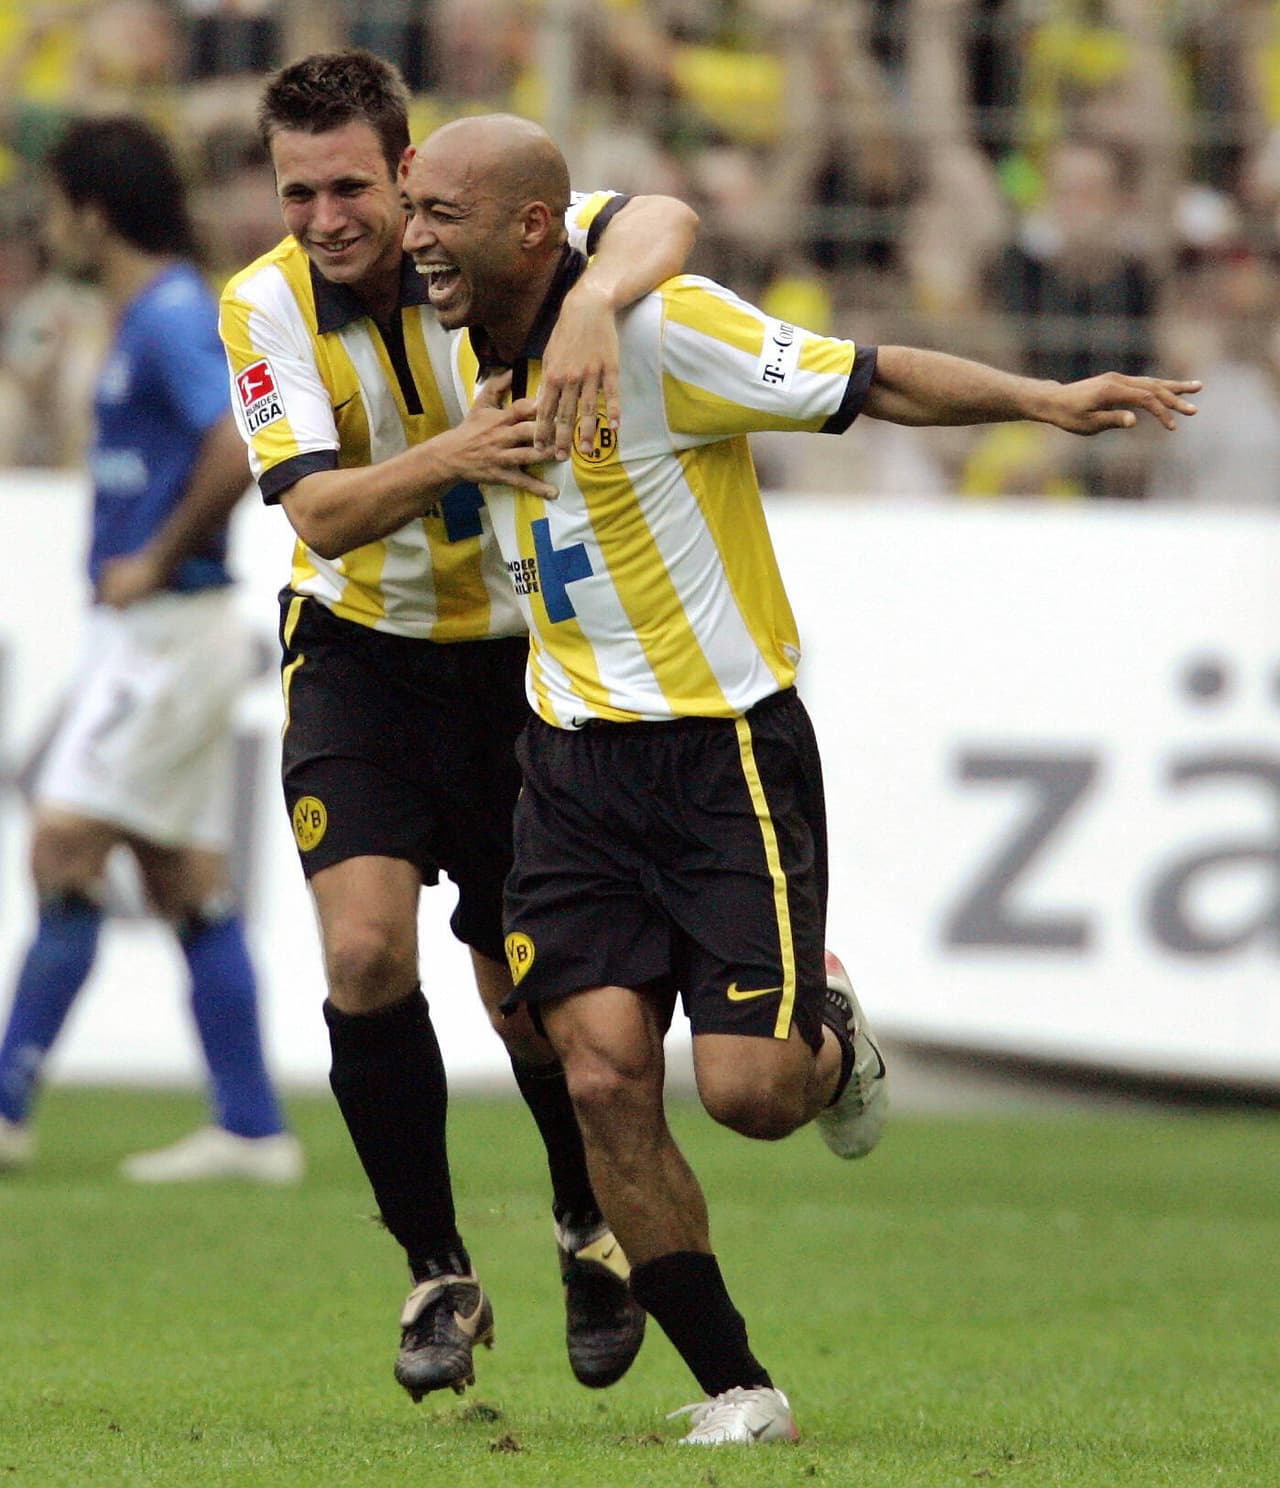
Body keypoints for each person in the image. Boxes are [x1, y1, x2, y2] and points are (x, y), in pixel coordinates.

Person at [398, 111, 1201, 1445]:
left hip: (723, 758)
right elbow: (629, 218)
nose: (415, 239)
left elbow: (864, 376)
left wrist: (1042, 400)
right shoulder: (460, 292)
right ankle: (738, 1384)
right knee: (597, 1075)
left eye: (441, 215)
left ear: (533, 228)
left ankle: (827, 1032)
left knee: (753, 1095)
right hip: (569, 757)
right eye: (410, 209)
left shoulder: (663, 329)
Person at [218, 49, 699, 1401]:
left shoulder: (479, 244)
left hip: (514, 664)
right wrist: (457, 456)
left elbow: (665, 219)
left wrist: (601, 296)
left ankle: (582, 1224)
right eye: (300, 194)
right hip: (358, 654)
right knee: (365, 954)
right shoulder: (263, 306)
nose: (328, 220)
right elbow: (316, 511)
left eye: (354, 187)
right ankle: (434, 1269)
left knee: (526, 994)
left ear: (412, 168)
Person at [0, 116, 302, 1185]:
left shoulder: (173, 310)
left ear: (91, 208)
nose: (49, 224)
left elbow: (234, 439)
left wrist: (160, 550)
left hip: (172, 625)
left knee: (62, 842)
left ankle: (5, 1104)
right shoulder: (140, 312)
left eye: (56, 203)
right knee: (185, 881)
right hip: (154, 632)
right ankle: (253, 1128)